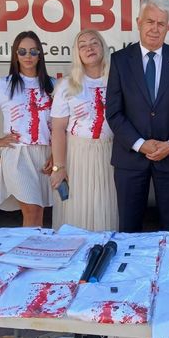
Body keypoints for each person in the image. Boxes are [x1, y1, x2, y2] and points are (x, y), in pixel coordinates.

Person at [106, 0, 169, 233]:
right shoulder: (119, 60)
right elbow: (114, 112)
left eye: (161, 23)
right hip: (130, 158)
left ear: (168, 27)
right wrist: (139, 144)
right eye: (150, 21)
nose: (155, 29)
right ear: (138, 22)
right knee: (129, 229)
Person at [0, 31, 55, 227]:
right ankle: (30, 247)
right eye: (22, 51)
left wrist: (56, 154)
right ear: (16, 54)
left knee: (39, 212)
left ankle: (33, 245)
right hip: (18, 156)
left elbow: (61, 124)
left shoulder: (53, 85)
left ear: (40, 54)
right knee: (32, 210)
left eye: (33, 51)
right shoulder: (4, 85)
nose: (28, 56)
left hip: (46, 155)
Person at [49, 30, 118, 232]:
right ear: (77, 53)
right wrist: (59, 167)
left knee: (106, 205)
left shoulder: (117, 80)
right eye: (83, 45)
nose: (89, 48)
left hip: (111, 153)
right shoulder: (66, 85)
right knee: (77, 207)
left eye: (94, 43)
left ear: (103, 48)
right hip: (77, 155)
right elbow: (58, 128)